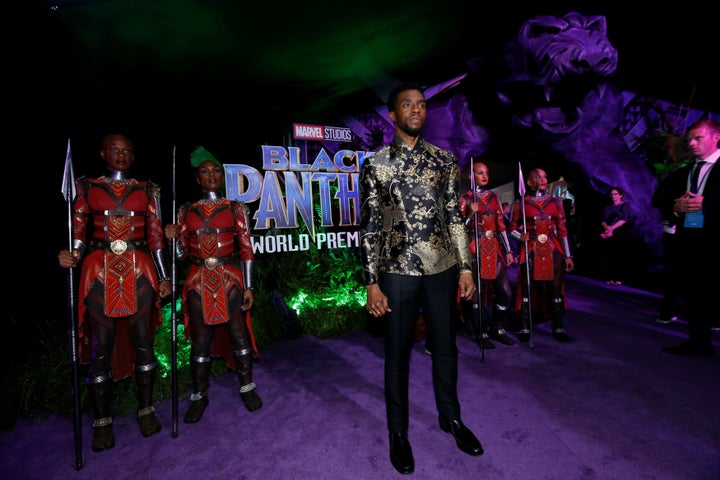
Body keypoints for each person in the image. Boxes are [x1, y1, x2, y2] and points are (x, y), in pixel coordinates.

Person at [359, 81, 483, 475]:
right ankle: (398, 432)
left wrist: (465, 267)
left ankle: (451, 418)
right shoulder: (376, 165)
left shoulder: (444, 161)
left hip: (442, 269)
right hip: (396, 272)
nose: (416, 110)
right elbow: (369, 227)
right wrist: (371, 282)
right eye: (407, 105)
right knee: (397, 355)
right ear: (393, 115)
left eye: (422, 105)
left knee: (446, 348)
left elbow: (454, 218)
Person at [57, 134, 171, 452]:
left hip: (140, 267)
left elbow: (156, 237)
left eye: (126, 151)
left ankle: (146, 407)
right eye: (114, 150)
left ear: (133, 156)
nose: (120, 155)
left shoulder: (148, 189)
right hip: (99, 268)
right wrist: (73, 255)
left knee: (143, 339)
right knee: (100, 344)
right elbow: (78, 231)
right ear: (103, 154)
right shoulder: (86, 188)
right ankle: (102, 420)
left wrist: (164, 276)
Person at [164, 146, 262, 423]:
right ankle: (200, 395)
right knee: (201, 340)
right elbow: (182, 255)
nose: (211, 175)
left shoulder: (235, 208)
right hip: (197, 282)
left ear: (222, 175)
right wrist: (173, 239)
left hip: (230, 278)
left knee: (238, 333)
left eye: (216, 170)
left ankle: (246, 386)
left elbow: (246, 250)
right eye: (205, 171)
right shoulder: (186, 211)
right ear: (197, 178)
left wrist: (249, 287)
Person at [652, 118, 719, 357]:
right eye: (689, 139)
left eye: (698, 138)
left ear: (715, 138)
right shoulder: (684, 172)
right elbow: (657, 199)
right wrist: (675, 205)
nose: (691, 143)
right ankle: (699, 342)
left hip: (716, 241)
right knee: (695, 292)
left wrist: (706, 203)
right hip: (690, 241)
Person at [509, 168, 575, 343]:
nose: (543, 179)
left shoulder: (556, 202)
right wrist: (519, 236)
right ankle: (525, 326)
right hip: (531, 249)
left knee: (555, 288)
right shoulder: (520, 204)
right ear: (529, 182)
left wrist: (568, 256)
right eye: (538, 177)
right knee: (527, 288)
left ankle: (558, 326)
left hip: (554, 251)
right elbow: (512, 228)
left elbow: (562, 230)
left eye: (545, 176)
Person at [459, 161, 516, 349]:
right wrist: (469, 215)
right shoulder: (466, 199)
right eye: (480, 173)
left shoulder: (494, 197)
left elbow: (501, 225)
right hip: (474, 249)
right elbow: (457, 229)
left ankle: (497, 328)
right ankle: (480, 332)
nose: (484, 176)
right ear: (471, 176)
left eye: (487, 173)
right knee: (475, 294)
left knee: (505, 292)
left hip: (494, 250)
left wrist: (508, 250)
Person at [599, 186, 633, 286]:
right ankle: (610, 277)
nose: (613, 196)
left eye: (615, 194)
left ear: (620, 195)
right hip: (609, 233)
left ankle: (619, 277)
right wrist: (606, 228)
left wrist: (612, 228)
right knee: (610, 255)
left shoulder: (625, 205)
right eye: (612, 194)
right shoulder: (608, 208)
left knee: (620, 255)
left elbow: (624, 219)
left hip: (620, 233)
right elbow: (603, 220)